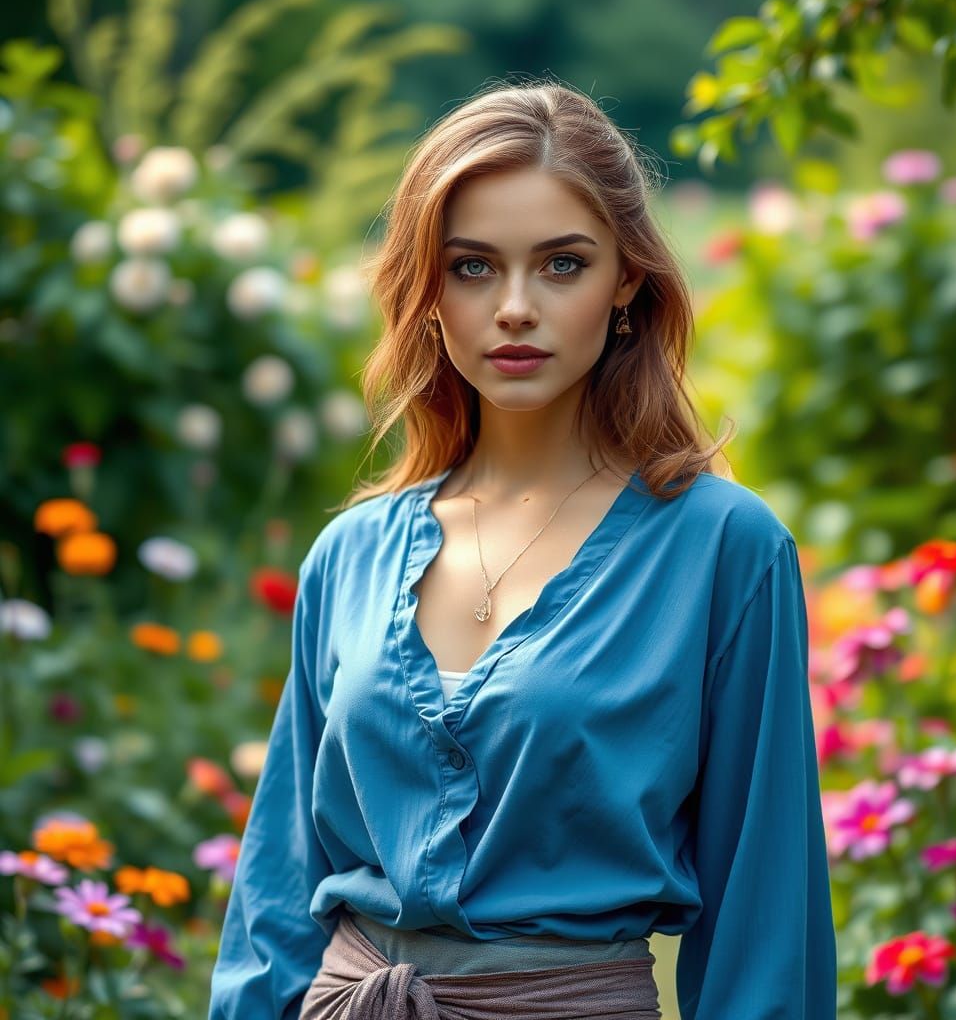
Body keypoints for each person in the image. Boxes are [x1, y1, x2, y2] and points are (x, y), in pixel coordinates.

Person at [207, 78, 838, 1020]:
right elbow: (277, 897)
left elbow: (765, 917)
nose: (513, 308)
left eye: (561, 265)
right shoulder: (350, 555)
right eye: (471, 267)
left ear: (627, 280)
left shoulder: (724, 551)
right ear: (427, 290)